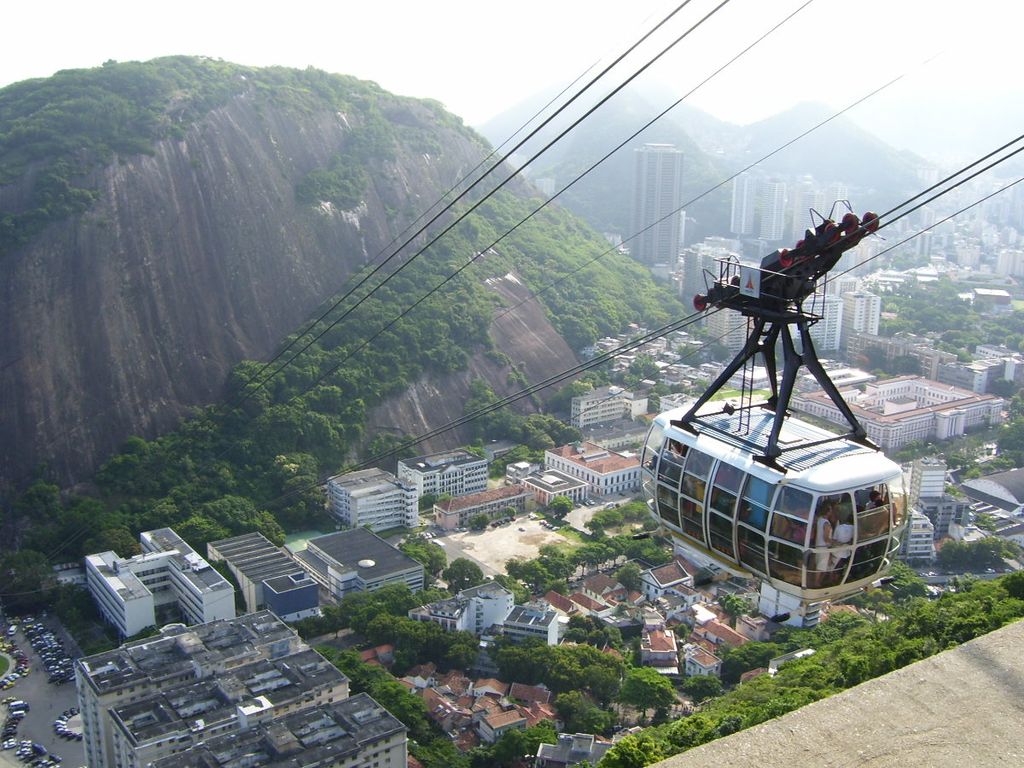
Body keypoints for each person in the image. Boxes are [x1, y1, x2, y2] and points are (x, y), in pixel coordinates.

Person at [813, 504, 834, 587]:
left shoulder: (819, 520)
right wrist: (835, 542)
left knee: (818, 564)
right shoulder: (826, 524)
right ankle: (816, 582)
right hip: (824, 548)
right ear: (828, 512)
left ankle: (816, 581)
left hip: (818, 545)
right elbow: (826, 538)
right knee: (821, 566)